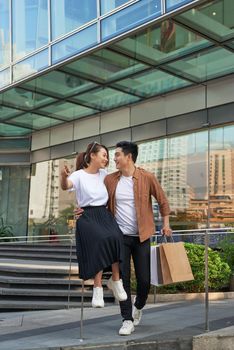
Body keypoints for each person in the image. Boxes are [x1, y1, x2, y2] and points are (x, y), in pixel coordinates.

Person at [76, 141, 172, 336]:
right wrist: (82, 210)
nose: (114, 159)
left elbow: (162, 201)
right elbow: (91, 192)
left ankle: (139, 306)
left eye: (118, 155)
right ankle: (127, 319)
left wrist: (167, 224)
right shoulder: (110, 179)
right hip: (119, 237)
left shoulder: (147, 177)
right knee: (124, 280)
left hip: (142, 236)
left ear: (129, 157)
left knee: (144, 281)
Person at [60, 142, 127, 308]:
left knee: (117, 237)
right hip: (88, 216)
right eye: (103, 155)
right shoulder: (79, 175)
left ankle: (116, 281)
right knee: (99, 240)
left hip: (104, 214)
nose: (106, 159)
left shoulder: (105, 174)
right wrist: (63, 176)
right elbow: (65, 186)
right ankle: (97, 288)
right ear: (92, 155)